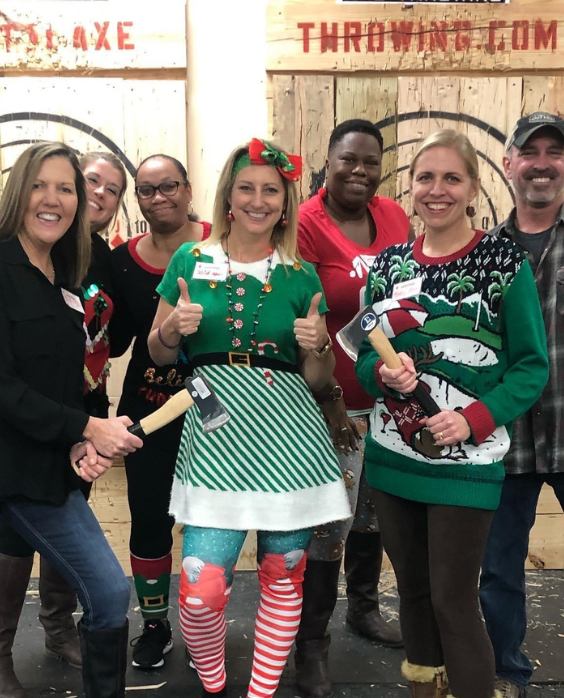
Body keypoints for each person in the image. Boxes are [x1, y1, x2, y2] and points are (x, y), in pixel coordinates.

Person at [148, 138, 351, 698]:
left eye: (271, 190)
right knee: (200, 586)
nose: (258, 200)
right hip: (216, 431)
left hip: (289, 433)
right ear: (228, 197)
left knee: (284, 573)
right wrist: (172, 329)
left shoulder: (301, 275)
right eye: (247, 188)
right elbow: (157, 353)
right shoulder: (190, 259)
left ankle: (261, 693)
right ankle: (213, 681)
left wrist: (317, 347)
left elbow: (316, 375)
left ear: (285, 203)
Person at [354, 129, 549, 698]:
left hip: (468, 464)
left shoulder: (503, 262)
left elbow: (530, 367)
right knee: (411, 591)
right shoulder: (387, 267)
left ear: (473, 187)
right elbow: (366, 356)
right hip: (392, 457)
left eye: (451, 178)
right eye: (425, 177)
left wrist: (473, 419)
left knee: (452, 598)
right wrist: (382, 375)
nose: (436, 190)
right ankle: (424, 688)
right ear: (410, 186)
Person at [0, 141, 142, 698]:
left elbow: (66, 377)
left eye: (65, 188)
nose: (53, 199)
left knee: (106, 592)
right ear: (18, 192)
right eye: (40, 185)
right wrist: (84, 429)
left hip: (39, 470)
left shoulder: (65, 275)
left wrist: (77, 440)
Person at [296, 118, 409, 698]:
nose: (359, 171)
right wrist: (332, 399)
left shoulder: (392, 217)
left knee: (373, 515)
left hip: (386, 400)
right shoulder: (306, 225)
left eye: (370, 161)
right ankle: (310, 645)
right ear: (328, 163)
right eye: (348, 160)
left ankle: (363, 609)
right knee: (326, 526)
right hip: (326, 403)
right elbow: (306, 324)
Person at [479, 112, 564, 698]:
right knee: (499, 572)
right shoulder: (486, 254)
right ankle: (506, 676)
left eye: (554, 151)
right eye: (529, 152)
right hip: (506, 442)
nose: (541, 163)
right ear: (509, 165)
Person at [109, 153, 210, 670]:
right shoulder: (120, 260)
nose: (159, 197)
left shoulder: (222, 244)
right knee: (149, 519)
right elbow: (112, 337)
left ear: (189, 190)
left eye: (168, 186)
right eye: (146, 191)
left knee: (209, 524)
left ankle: (204, 630)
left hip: (218, 418)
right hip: (146, 412)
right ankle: (154, 625)